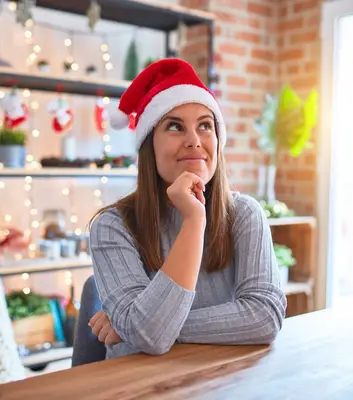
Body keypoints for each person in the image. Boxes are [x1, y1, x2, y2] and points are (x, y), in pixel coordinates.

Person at [87, 58, 287, 359]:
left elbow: (265, 316)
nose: (194, 141)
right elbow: (150, 337)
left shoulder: (244, 214)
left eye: (205, 126)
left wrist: (134, 329)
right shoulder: (112, 226)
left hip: (221, 382)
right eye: (175, 127)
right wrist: (194, 219)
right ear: (149, 145)